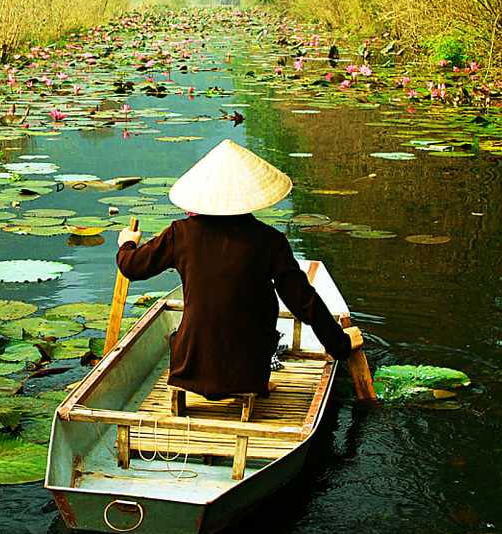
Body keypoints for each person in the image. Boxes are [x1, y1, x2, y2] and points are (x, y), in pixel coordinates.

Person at [117, 140, 356, 414]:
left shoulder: (180, 234)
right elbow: (304, 302)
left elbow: (131, 267)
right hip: (247, 369)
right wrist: (339, 345)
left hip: (190, 365)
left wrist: (128, 243)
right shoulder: (270, 241)